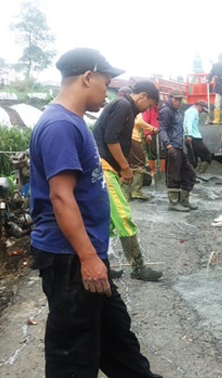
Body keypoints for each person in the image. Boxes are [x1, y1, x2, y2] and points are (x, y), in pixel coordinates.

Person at [29, 48, 192, 378]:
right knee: (72, 341)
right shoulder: (59, 127)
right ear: (87, 77)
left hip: (84, 251)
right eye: (106, 81)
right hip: (69, 255)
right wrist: (88, 258)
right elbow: (61, 197)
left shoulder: (72, 123)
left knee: (113, 329)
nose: (110, 90)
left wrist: (95, 254)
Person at [91, 79, 163, 281]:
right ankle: (138, 267)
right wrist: (125, 167)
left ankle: (102, 265)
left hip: (103, 166)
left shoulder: (127, 109)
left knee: (106, 219)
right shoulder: (123, 105)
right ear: (142, 97)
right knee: (123, 215)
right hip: (104, 166)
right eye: (148, 105)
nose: (146, 109)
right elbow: (110, 139)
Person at [158, 94, 195, 212]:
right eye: (176, 99)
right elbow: (162, 129)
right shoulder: (166, 111)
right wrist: (168, 145)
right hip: (172, 146)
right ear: (170, 99)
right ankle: (173, 203)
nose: (178, 102)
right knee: (174, 175)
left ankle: (184, 201)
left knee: (189, 173)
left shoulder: (177, 112)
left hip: (179, 146)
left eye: (180, 99)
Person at [127, 112, 157, 201]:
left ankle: (129, 192)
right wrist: (152, 129)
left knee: (131, 163)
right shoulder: (135, 111)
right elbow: (140, 122)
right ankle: (136, 191)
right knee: (139, 163)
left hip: (128, 139)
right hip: (134, 139)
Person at [183, 99, 213, 173]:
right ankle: (199, 174)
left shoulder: (189, 111)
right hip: (194, 138)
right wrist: (189, 135)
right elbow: (188, 123)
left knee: (193, 160)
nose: (202, 111)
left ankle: (192, 176)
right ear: (199, 106)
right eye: (202, 109)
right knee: (207, 156)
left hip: (189, 137)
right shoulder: (193, 111)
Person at [142, 101, 163, 178]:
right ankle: (152, 172)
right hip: (151, 133)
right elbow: (144, 122)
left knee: (162, 153)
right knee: (152, 153)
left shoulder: (158, 109)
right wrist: (147, 134)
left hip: (159, 133)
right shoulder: (148, 109)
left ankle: (162, 172)